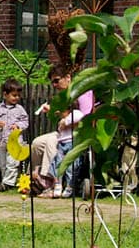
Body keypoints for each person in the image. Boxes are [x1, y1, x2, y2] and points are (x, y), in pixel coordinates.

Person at [28, 69, 94, 197]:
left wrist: (66, 121)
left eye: (56, 80)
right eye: (52, 82)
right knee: (37, 143)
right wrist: (52, 111)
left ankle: (51, 184)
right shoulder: (63, 96)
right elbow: (61, 116)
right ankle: (35, 180)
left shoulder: (81, 92)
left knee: (51, 143)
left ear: (68, 77)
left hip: (77, 134)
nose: (54, 85)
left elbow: (86, 118)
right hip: (64, 132)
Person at [0, 79, 29, 192]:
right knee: (2, 163)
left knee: (12, 162)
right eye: (14, 95)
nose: (16, 98)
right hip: (2, 140)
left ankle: (7, 183)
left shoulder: (20, 109)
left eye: (18, 96)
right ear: (5, 94)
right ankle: (5, 181)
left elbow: (25, 121)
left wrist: (18, 125)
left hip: (15, 141)